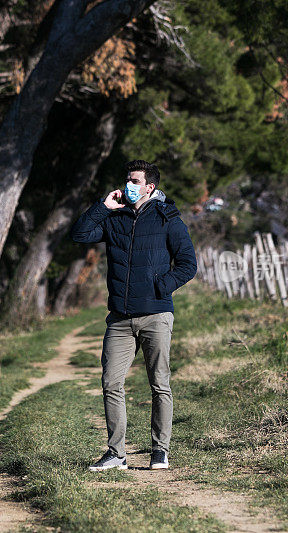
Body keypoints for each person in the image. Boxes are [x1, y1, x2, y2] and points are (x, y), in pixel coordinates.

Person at [69, 159, 197, 471]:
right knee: (111, 382)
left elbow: (187, 264)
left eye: (135, 180)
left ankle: (160, 451)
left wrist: (159, 288)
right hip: (120, 317)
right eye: (127, 179)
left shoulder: (168, 219)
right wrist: (103, 206)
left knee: (159, 384)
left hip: (156, 314)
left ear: (150, 186)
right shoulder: (116, 218)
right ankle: (117, 454)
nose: (129, 184)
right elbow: (80, 234)